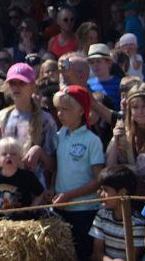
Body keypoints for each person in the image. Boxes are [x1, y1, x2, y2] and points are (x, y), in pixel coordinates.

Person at [52, 85, 105, 260]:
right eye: (58, 109)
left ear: (81, 110)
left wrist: (69, 195)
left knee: (82, 255)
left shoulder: (92, 140)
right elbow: (56, 168)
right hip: (61, 208)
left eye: (65, 110)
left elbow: (99, 180)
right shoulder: (60, 135)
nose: (60, 114)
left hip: (84, 210)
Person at [0, 63, 57, 188]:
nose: (16, 87)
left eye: (22, 83)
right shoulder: (0, 117)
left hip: (35, 191)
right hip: (7, 191)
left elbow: (55, 166)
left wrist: (40, 152)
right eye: (12, 83)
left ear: (32, 86)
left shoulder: (46, 120)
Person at [0, 137, 44, 219]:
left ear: (20, 158)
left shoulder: (27, 176)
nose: (9, 156)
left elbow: (40, 193)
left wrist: (31, 208)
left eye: (13, 154)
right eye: (4, 154)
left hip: (20, 216)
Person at [90, 165, 145, 261]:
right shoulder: (102, 216)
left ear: (122, 192)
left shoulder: (138, 224)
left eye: (106, 190)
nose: (101, 194)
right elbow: (97, 253)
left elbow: (134, 257)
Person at [107, 89, 145, 194]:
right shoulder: (124, 132)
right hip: (130, 193)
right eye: (135, 107)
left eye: (144, 106)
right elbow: (110, 168)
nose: (140, 111)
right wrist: (115, 140)